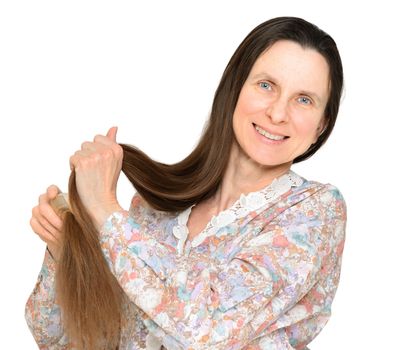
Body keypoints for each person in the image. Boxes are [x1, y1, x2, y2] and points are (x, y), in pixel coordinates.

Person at [25, 16, 347, 350]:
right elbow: (64, 340)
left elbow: (208, 325)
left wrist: (105, 212)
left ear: (322, 125)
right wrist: (69, 255)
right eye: (266, 85)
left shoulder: (313, 212)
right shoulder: (152, 210)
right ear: (235, 87)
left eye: (304, 99)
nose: (278, 113)